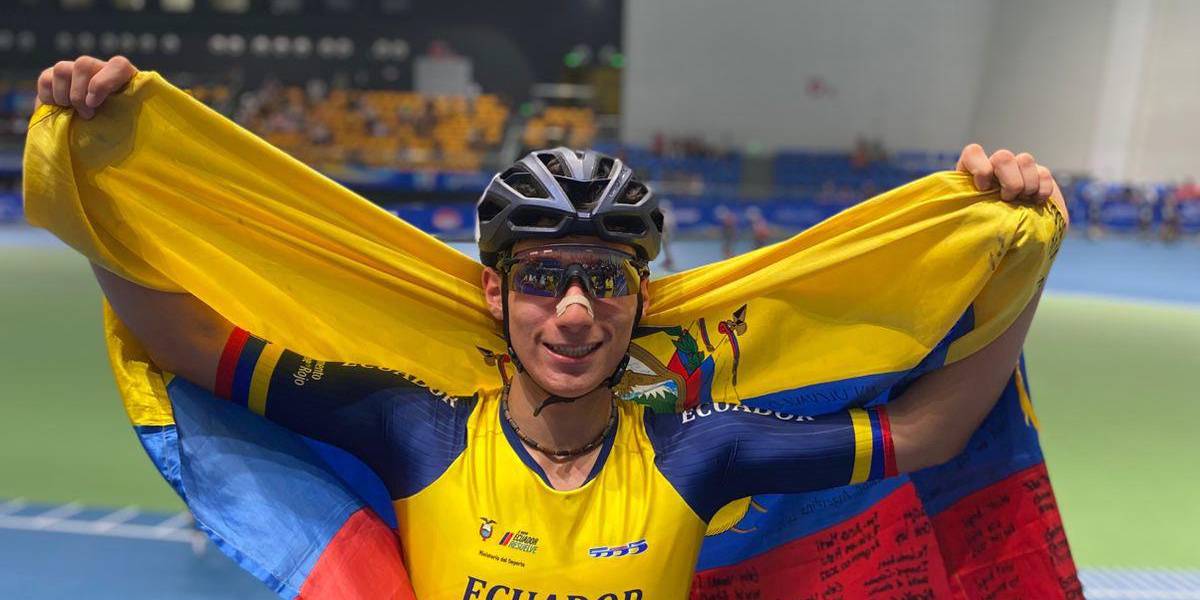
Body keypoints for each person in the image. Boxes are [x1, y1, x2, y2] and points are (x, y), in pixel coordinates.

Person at [37, 56, 1066, 598]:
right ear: (497, 296)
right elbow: (185, 341)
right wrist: (94, 182)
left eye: (603, 282)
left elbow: (927, 434)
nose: (573, 312)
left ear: (640, 303)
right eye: (544, 280)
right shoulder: (417, 427)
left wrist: (1019, 260)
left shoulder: (696, 444)